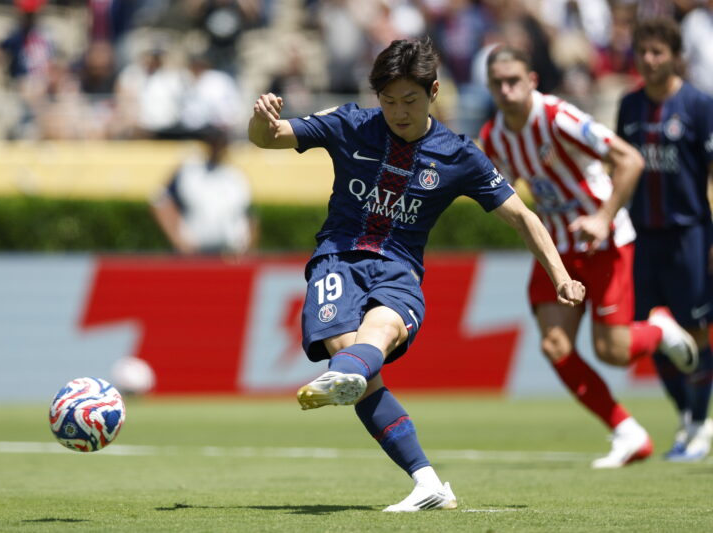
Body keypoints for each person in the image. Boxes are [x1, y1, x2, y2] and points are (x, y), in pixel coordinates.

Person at [248, 38, 586, 512]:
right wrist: (260, 119)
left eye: (410, 100)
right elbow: (268, 137)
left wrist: (561, 277)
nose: (398, 112)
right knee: (360, 369)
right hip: (338, 259)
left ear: (434, 93)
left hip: (398, 269)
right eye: (389, 101)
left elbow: (523, 218)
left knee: (380, 332)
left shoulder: (459, 155)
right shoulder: (351, 124)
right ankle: (428, 484)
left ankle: (343, 376)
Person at [478, 44, 698, 469]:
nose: (505, 90)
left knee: (612, 351)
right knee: (554, 344)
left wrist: (602, 216)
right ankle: (627, 432)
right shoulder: (494, 136)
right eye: (496, 84)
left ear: (531, 81)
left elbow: (629, 160)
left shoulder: (560, 117)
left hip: (606, 241)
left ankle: (657, 329)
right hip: (556, 247)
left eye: (513, 81)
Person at [617, 18, 713, 462]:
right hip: (642, 238)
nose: (650, 60)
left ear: (675, 55)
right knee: (653, 332)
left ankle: (701, 421)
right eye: (643, 52)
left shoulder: (698, 105)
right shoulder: (629, 106)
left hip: (688, 233)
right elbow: (620, 168)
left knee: (694, 329)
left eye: (658, 52)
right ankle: (686, 418)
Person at [150, 127, 257, 256]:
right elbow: (161, 202)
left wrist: (246, 250)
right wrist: (179, 240)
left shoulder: (235, 177)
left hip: (229, 255)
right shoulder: (189, 171)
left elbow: (250, 216)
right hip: (195, 255)